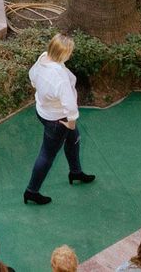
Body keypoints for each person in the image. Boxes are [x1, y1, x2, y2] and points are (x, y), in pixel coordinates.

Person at [24, 33, 94, 205]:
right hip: (58, 120)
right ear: (63, 54)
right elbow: (69, 105)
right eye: (70, 52)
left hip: (43, 111)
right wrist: (71, 122)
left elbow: (32, 76)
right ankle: (31, 191)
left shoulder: (43, 58)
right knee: (47, 155)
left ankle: (75, 172)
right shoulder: (59, 78)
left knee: (74, 139)